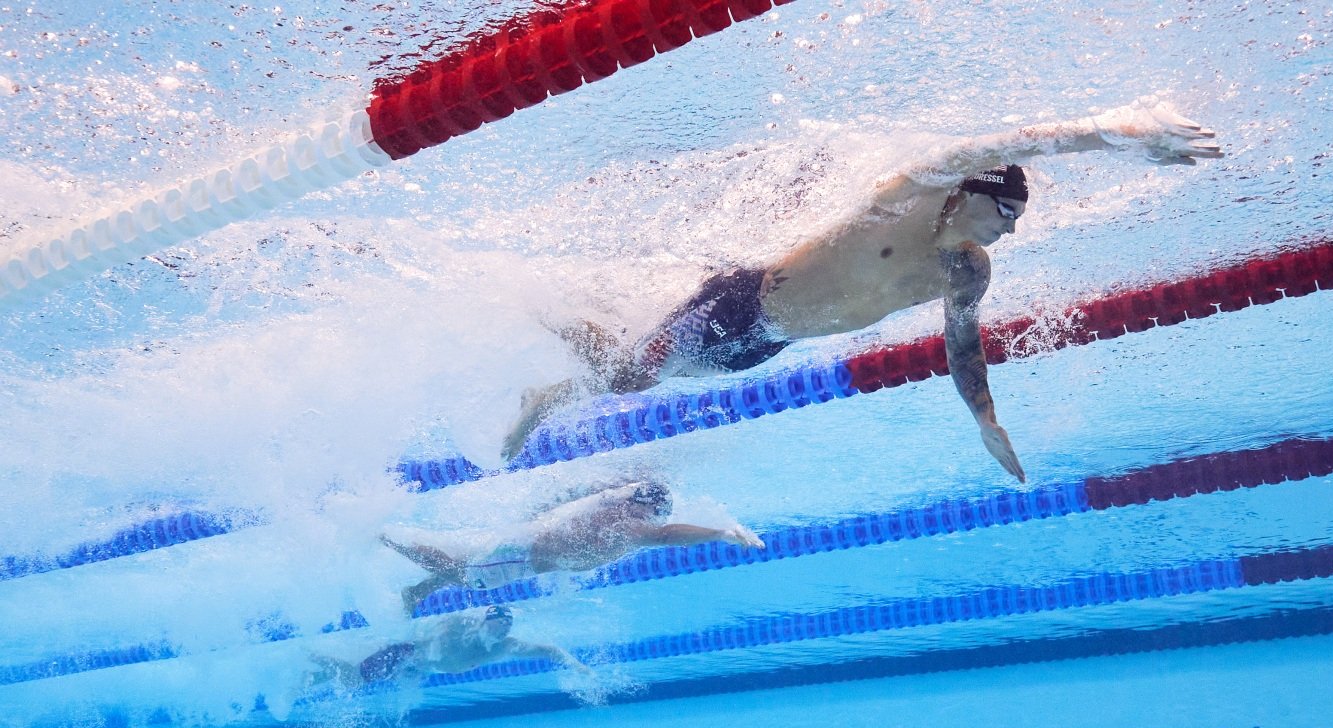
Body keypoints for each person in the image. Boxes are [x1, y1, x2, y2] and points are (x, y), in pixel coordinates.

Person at [501, 98, 1223, 480]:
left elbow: (962, 346)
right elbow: (1004, 144)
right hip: (736, 305)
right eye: (1005, 213)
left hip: (768, 344)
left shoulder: (965, 269)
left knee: (622, 371)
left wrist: (984, 419)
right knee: (630, 371)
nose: (1009, 230)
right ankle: (536, 340)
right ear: (970, 193)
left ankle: (555, 324)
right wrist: (1116, 133)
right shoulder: (904, 198)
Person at [382, 480, 765, 613]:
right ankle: (383, 536)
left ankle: (415, 591)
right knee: (467, 575)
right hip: (520, 556)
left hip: (523, 550)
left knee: (467, 563)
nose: (657, 518)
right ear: (643, 504)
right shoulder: (627, 522)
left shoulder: (616, 510)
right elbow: (665, 536)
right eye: (657, 510)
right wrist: (720, 533)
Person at [306, 605, 588, 691]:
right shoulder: (461, 626)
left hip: (416, 669)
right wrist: (432, 642)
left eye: (506, 625)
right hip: (406, 656)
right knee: (355, 678)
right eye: (498, 623)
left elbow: (549, 649)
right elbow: (432, 628)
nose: (503, 629)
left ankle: (307, 677)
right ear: (485, 622)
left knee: (354, 677)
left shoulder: (504, 647)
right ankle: (312, 655)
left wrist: (576, 664)